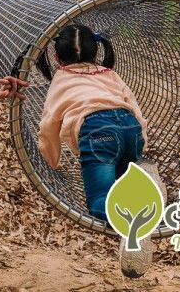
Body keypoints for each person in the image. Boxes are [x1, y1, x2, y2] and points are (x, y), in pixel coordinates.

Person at [36, 24, 148, 222]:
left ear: (56, 56)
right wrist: (142, 142)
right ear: (96, 50)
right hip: (130, 126)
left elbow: (49, 122)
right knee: (125, 187)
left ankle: (139, 224)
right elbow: (135, 108)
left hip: (97, 130)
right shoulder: (108, 73)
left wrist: (51, 159)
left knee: (99, 200)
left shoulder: (61, 78)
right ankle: (145, 208)